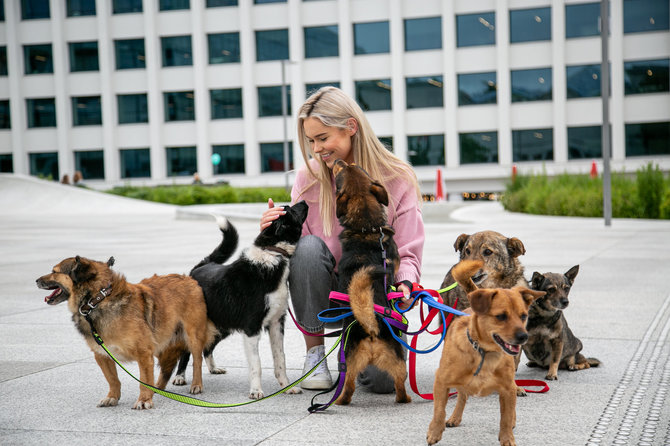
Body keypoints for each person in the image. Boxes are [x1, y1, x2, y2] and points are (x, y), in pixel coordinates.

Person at [260, 87, 425, 392]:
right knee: (308, 248)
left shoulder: (397, 176)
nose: (316, 149)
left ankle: (355, 351)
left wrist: (405, 282)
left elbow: (408, 249)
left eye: (323, 138)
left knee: (384, 383)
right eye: (310, 141)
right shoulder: (308, 176)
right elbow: (299, 251)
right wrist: (273, 233)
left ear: (351, 127)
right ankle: (315, 354)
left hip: (375, 294)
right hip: (330, 295)